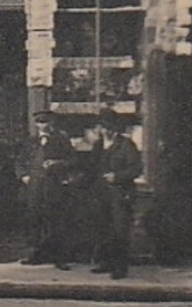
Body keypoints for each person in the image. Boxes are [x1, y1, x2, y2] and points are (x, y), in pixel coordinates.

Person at [89, 108, 144, 279]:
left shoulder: (126, 144)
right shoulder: (98, 145)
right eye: (104, 127)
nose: (107, 131)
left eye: (111, 127)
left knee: (120, 230)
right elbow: (92, 168)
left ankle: (120, 268)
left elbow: (137, 168)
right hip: (101, 194)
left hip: (121, 194)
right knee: (104, 228)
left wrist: (118, 176)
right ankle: (106, 262)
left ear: (116, 128)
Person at [17, 110, 75, 268]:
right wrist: (24, 176)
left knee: (55, 219)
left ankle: (59, 258)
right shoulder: (30, 141)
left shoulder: (61, 140)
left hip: (53, 184)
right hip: (35, 185)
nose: (43, 125)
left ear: (51, 123)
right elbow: (20, 162)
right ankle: (35, 254)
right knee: (35, 218)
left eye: (46, 121)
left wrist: (57, 163)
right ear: (36, 124)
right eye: (40, 122)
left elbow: (72, 160)